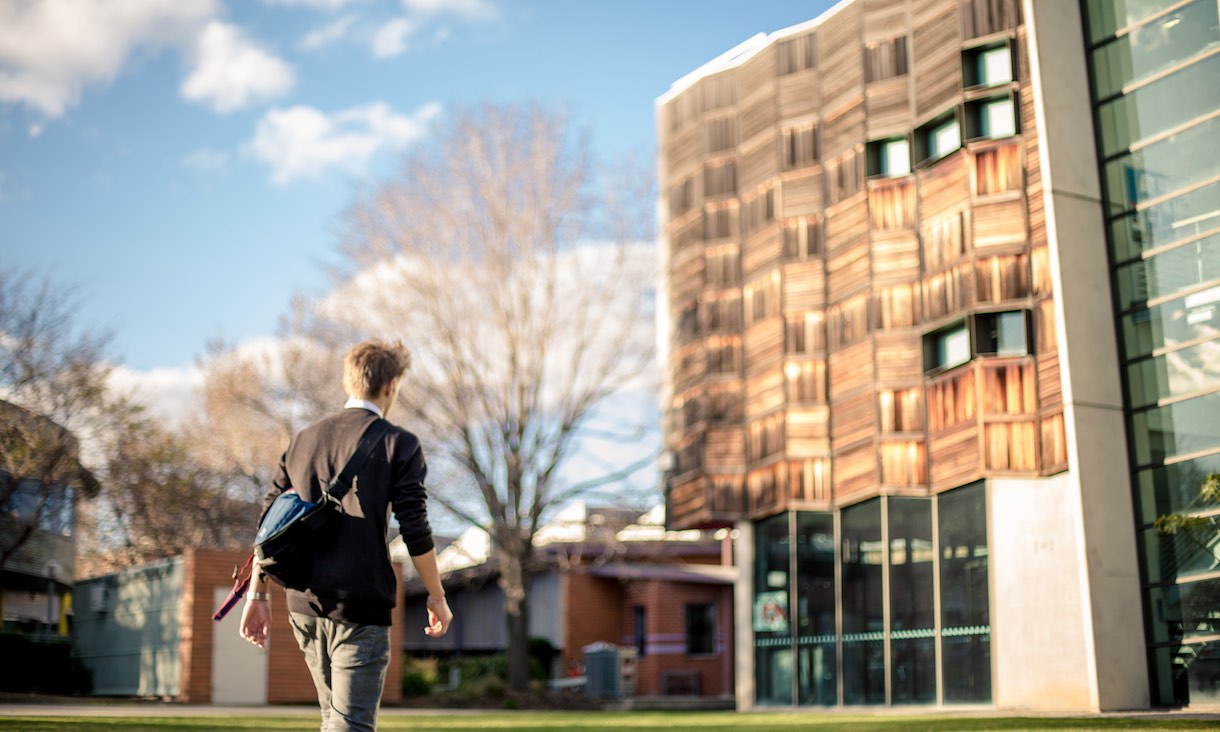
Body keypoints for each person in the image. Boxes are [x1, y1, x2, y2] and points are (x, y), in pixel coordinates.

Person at [240, 338, 452, 731]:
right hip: (360, 605)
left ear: (347, 382)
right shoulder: (399, 443)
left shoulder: (303, 439)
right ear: (391, 386)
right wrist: (437, 596)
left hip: (303, 605)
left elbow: (268, 522)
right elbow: (415, 527)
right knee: (350, 725)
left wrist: (257, 594)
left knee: (334, 720)